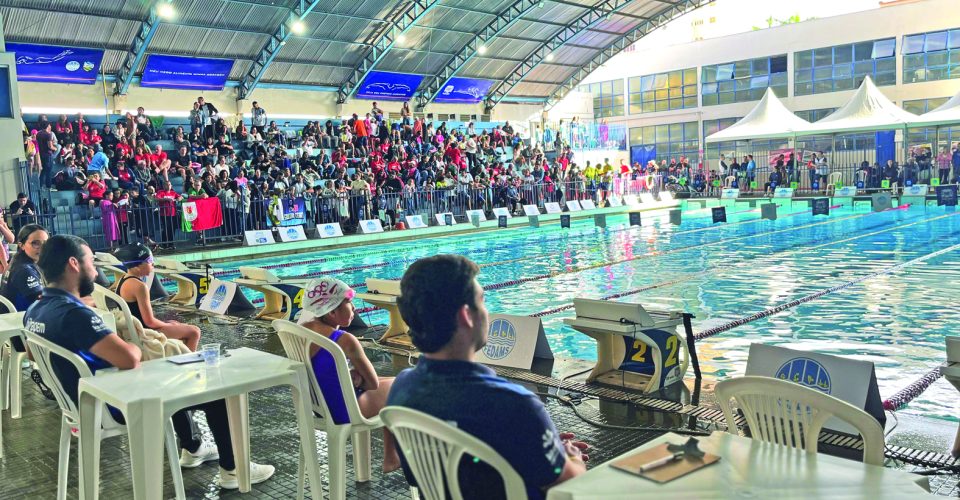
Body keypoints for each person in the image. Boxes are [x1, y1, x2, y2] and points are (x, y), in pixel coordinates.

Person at [24, 235, 275, 488]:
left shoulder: (36, 310)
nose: (95, 269)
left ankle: (194, 447)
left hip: (80, 402)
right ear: (73, 264)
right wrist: (130, 343)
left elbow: (34, 355)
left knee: (181, 375)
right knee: (218, 391)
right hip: (113, 403)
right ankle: (233, 471)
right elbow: (129, 359)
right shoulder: (73, 314)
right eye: (91, 261)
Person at [388, 255, 587, 500]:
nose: (487, 311)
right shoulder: (516, 405)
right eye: (482, 300)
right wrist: (569, 455)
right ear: (466, 315)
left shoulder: (402, 388)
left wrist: (538, 441)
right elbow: (570, 479)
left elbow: (417, 475)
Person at [297, 277, 400, 472]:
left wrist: (355, 377)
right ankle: (391, 456)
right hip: (345, 410)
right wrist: (361, 378)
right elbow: (371, 384)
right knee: (399, 385)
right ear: (333, 311)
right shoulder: (344, 340)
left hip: (319, 407)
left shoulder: (300, 331)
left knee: (391, 381)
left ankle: (390, 456)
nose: (355, 309)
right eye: (349, 303)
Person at [114, 243, 201, 351]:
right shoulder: (139, 286)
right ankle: (190, 363)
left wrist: (169, 324)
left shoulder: (123, 279)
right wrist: (168, 326)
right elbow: (149, 321)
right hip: (144, 332)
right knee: (194, 332)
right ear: (137, 266)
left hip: (135, 329)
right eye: (149, 261)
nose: (153, 263)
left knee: (176, 323)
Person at [0, 224, 53, 399]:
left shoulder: (18, 262)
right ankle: (57, 379)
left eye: (45, 243)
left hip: (14, 330)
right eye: (35, 243)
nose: (41, 248)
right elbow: (46, 302)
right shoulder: (25, 270)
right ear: (22, 245)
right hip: (25, 338)